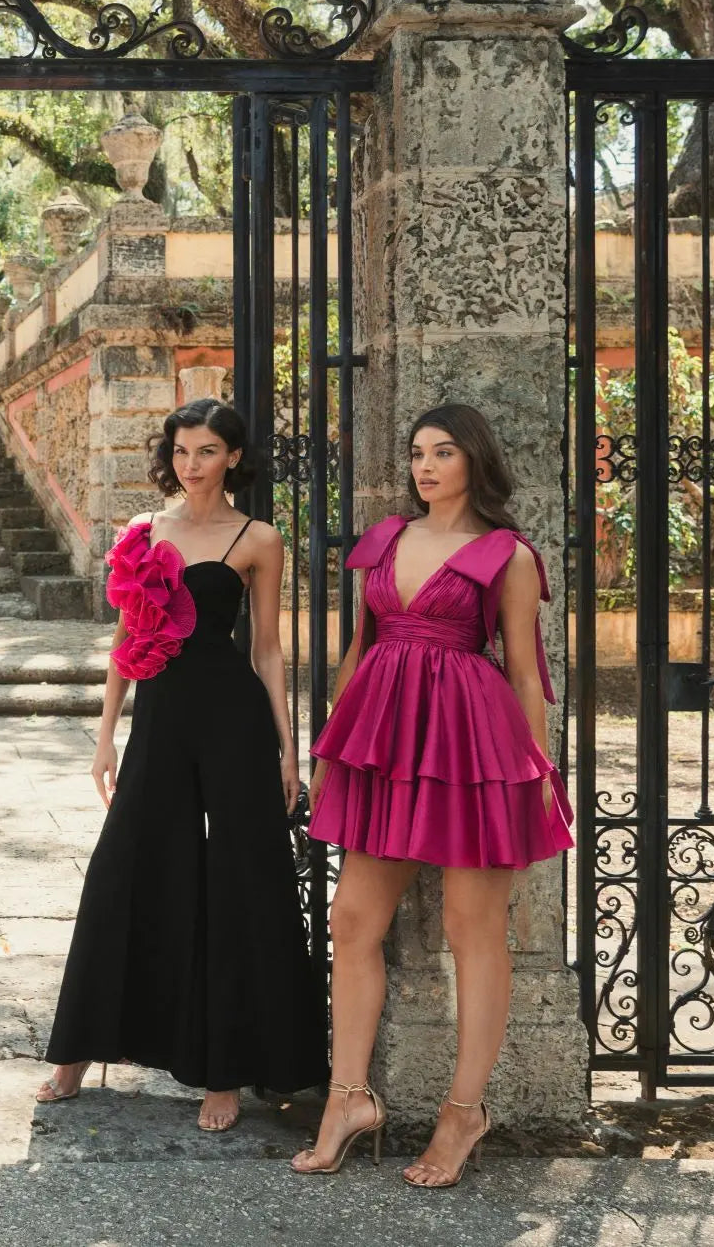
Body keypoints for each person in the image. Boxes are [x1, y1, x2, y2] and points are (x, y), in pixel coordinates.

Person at [290, 403, 573, 1186]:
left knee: (470, 928)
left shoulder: (508, 554)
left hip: (471, 745)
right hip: (384, 744)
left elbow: (525, 676)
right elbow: (359, 650)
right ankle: (348, 1098)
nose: (425, 466)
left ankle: (463, 1113)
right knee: (352, 919)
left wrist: (537, 772)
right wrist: (332, 746)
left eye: (443, 452)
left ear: (475, 460)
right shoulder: (387, 538)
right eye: (417, 453)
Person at [36, 398, 328, 1131]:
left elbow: (267, 649)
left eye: (206, 451)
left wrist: (288, 747)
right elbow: (126, 641)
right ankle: (79, 1048)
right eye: (181, 450)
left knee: (239, 878)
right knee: (123, 866)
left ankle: (225, 1072)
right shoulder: (144, 530)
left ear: (234, 457)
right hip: (161, 719)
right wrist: (106, 736)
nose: (190, 464)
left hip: (233, 719)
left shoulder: (259, 538)